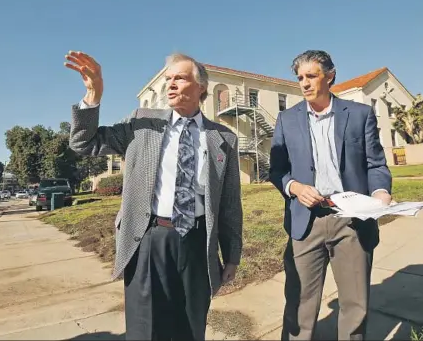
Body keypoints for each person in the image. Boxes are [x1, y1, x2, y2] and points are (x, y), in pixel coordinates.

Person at [66, 51, 243, 340]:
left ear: (201, 88)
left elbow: (230, 204)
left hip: (198, 242)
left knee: (190, 326)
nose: (170, 84)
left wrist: (232, 255)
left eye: (180, 78)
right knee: (145, 329)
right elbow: (83, 143)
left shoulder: (223, 138)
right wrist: (93, 96)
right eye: (168, 79)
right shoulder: (142, 123)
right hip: (149, 238)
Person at [269, 50, 392, 340]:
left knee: (355, 305)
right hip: (306, 223)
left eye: (311, 76)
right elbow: (276, 172)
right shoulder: (287, 120)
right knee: (300, 305)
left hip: (350, 220)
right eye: (300, 77)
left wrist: (381, 193)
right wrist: (295, 188)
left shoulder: (360, 114)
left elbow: (376, 164)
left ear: (330, 76)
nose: (304, 83)